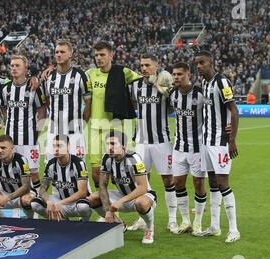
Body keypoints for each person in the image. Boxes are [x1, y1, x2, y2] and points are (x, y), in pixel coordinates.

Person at [125, 54, 178, 234]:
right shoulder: (135, 86)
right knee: (141, 181)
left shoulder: (164, 86)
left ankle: (172, 220)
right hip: (141, 143)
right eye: (141, 65)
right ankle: (142, 218)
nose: (144, 68)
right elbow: (131, 103)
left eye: (147, 65)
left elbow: (174, 105)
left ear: (156, 66)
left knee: (168, 180)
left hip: (162, 142)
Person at [194, 50, 240, 243]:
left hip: (220, 142)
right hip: (207, 140)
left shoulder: (222, 82)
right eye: (196, 63)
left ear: (211, 62)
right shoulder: (204, 83)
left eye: (201, 63)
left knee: (222, 183)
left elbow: (234, 111)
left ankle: (234, 229)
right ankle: (214, 226)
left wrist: (231, 141)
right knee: (212, 182)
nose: (198, 66)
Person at [85, 41, 141, 188]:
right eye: (96, 55)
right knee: (96, 172)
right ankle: (105, 207)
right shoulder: (90, 74)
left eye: (102, 54)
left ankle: (118, 205)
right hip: (95, 128)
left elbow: (142, 80)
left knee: (119, 170)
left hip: (116, 128)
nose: (98, 58)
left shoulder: (122, 72)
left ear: (111, 55)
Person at [88, 130, 157, 244]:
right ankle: (119, 225)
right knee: (93, 198)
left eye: (113, 144)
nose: (109, 147)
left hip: (142, 195)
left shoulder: (134, 158)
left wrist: (121, 201)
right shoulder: (107, 158)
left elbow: (142, 187)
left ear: (124, 146)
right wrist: (107, 211)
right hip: (121, 195)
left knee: (142, 203)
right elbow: (102, 186)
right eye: (107, 144)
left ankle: (149, 229)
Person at [169, 62, 207, 236]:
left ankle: (198, 222)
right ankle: (185, 220)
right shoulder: (172, 94)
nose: (176, 77)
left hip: (198, 148)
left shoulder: (200, 94)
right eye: (174, 74)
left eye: (179, 74)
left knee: (198, 184)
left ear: (188, 75)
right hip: (178, 147)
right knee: (177, 183)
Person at [1, 55, 46, 192]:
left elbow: (42, 111)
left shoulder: (34, 87)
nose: (14, 68)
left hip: (30, 139)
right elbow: (3, 107)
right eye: (12, 66)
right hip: (11, 140)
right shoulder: (6, 89)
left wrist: (38, 131)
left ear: (26, 69)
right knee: (14, 173)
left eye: (17, 66)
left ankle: (38, 202)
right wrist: (6, 120)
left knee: (33, 173)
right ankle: (17, 209)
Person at [43, 40, 91, 162]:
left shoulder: (80, 75)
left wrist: (82, 123)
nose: (58, 54)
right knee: (52, 168)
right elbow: (47, 100)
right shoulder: (49, 77)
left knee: (79, 168)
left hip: (74, 131)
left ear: (70, 54)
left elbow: (89, 103)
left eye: (62, 52)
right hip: (53, 132)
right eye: (56, 52)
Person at [31, 135, 93, 221]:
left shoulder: (78, 163)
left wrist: (61, 203)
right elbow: (42, 189)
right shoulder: (50, 164)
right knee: (35, 203)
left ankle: (84, 221)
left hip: (77, 203)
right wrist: (47, 201)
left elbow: (82, 192)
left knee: (83, 207)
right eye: (54, 146)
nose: (56, 149)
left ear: (68, 147)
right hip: (60, 201)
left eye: (59, 146)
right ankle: (62, 219)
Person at [0, 135, 36, 218]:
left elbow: (26, 187)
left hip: (22, 194)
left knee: (26, 200)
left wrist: (7, 198)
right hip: (5, 192)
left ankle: (31, 220)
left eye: (3, 148)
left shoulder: (21, 161)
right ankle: (1, 218)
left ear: (12, 148)